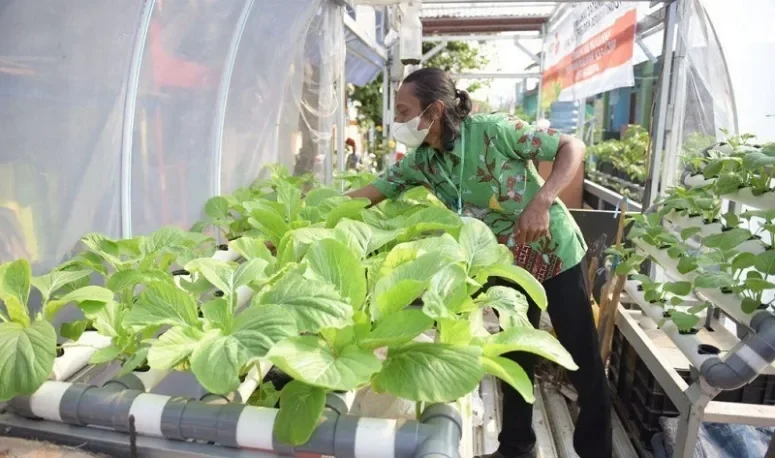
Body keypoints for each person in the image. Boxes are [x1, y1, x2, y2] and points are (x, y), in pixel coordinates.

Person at [347, 68, 612, 458]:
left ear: (434, 111)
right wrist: (311, 215)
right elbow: (367, 194)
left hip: (553, 251)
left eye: (404, 111)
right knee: (514, 353)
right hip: (504, 263)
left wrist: (542, 200)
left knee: (580, 359)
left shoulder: (493, 131)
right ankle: (516, 448)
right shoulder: (422, 162)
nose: (398, 120)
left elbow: (571, 146)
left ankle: (596, 452)